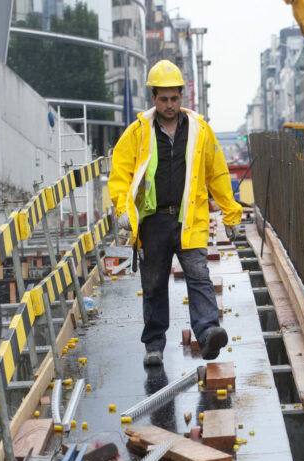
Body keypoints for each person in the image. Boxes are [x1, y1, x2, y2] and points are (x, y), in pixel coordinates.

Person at [109, 59, 243, 367]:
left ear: (182, 96)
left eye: (175, 98)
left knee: (199, 275)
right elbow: (120, 173)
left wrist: (230, 213)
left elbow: (217, 174)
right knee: (154, 283)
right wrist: (123, 210)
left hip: (188, 218)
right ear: (153, 98)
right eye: (163, 99)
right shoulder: (137, 133)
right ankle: (154, 345)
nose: (170, 105)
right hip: (152, 221)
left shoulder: (200, 131)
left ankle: (208, 333)